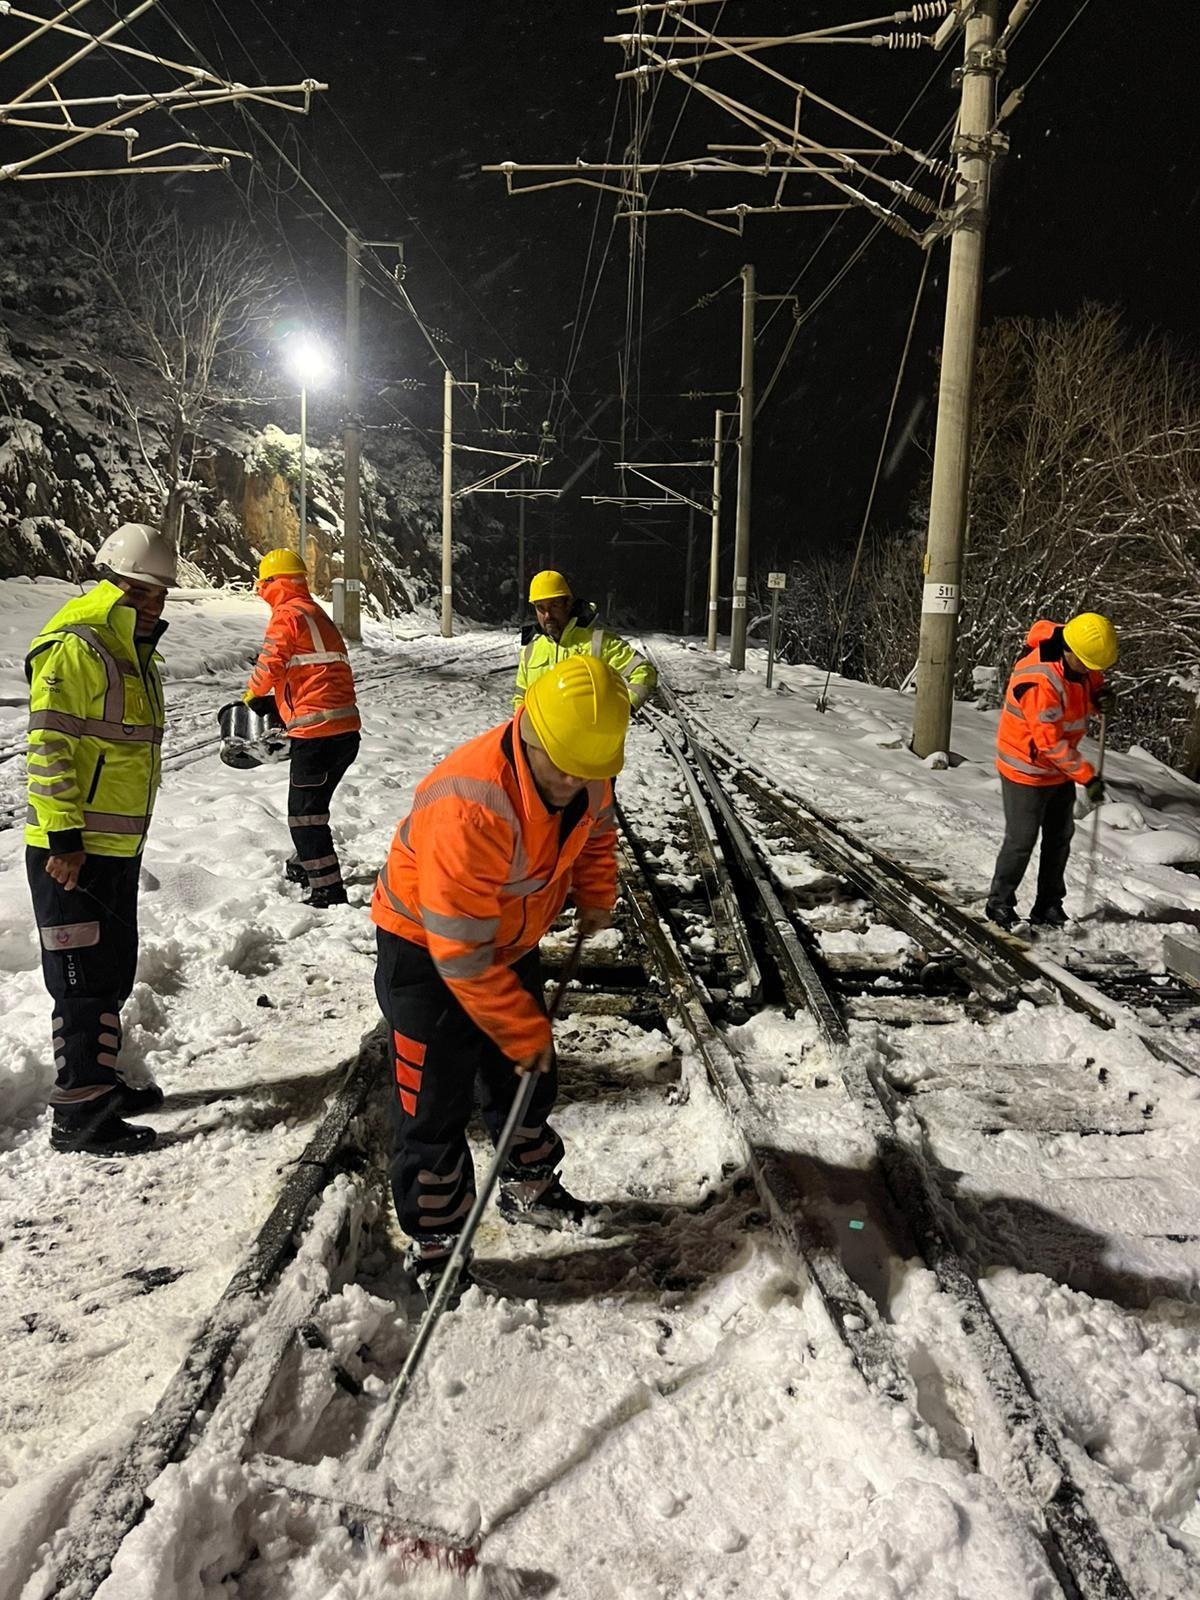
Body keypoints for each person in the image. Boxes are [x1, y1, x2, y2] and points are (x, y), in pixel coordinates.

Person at [372, 652, 629, 1302]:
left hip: (510, 934)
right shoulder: (471, 802)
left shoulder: (588, 764)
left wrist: (596, 892)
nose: (575, 781)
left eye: (587, 771)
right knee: (432, 1099)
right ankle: (436, 1243)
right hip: (427, 949)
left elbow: (596, 834)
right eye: (562, 767)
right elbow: (460, 955)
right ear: (531, 732)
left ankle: (527, 1183)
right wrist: (516, 1025)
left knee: (525, 1075)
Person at [25, 523, 177, 1155]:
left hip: (112, 848)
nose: (152, 604)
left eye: (160, 593)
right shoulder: (76, 647)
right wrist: (62, 838)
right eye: (140, 590)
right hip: (71, 852)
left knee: (110, 970)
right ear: (111, 580)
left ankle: (100, 1081)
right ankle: (79, 1115)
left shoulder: (134, 652)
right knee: (81, 979)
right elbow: (48, 745)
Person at [985, 612, 1118, 932]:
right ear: (1070, 650)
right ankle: (999, 902)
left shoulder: (1078, 651)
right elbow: (1050, 744)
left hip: (1058, 770)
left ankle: (1048, 904)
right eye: (1088, 664)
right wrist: (1087, 776)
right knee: (1021, 839)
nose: (1091, 671)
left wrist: (1097, 696)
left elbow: (1089, 680)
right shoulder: (1040, 681)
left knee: (1060, 836)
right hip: (1026, 768)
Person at [244, 549, 361, 907]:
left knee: (304, 816)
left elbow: (271, 662)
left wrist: (252, 696)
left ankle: (327, 889)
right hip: (344, 732)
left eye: (263, 583)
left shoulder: (287, 615)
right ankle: (306, 863)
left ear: (272, 583)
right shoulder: (315, 613)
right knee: (314, 807)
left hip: (317, 735)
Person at [514, 569, 657, 713]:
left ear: (568, 603)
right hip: (544, 735)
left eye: (554, 605)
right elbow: (521, 696)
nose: (547, 615)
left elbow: (644, 671)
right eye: (541, 608)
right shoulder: (531, 649)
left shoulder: (599, 642)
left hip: (590, 735)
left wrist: (624, 708)